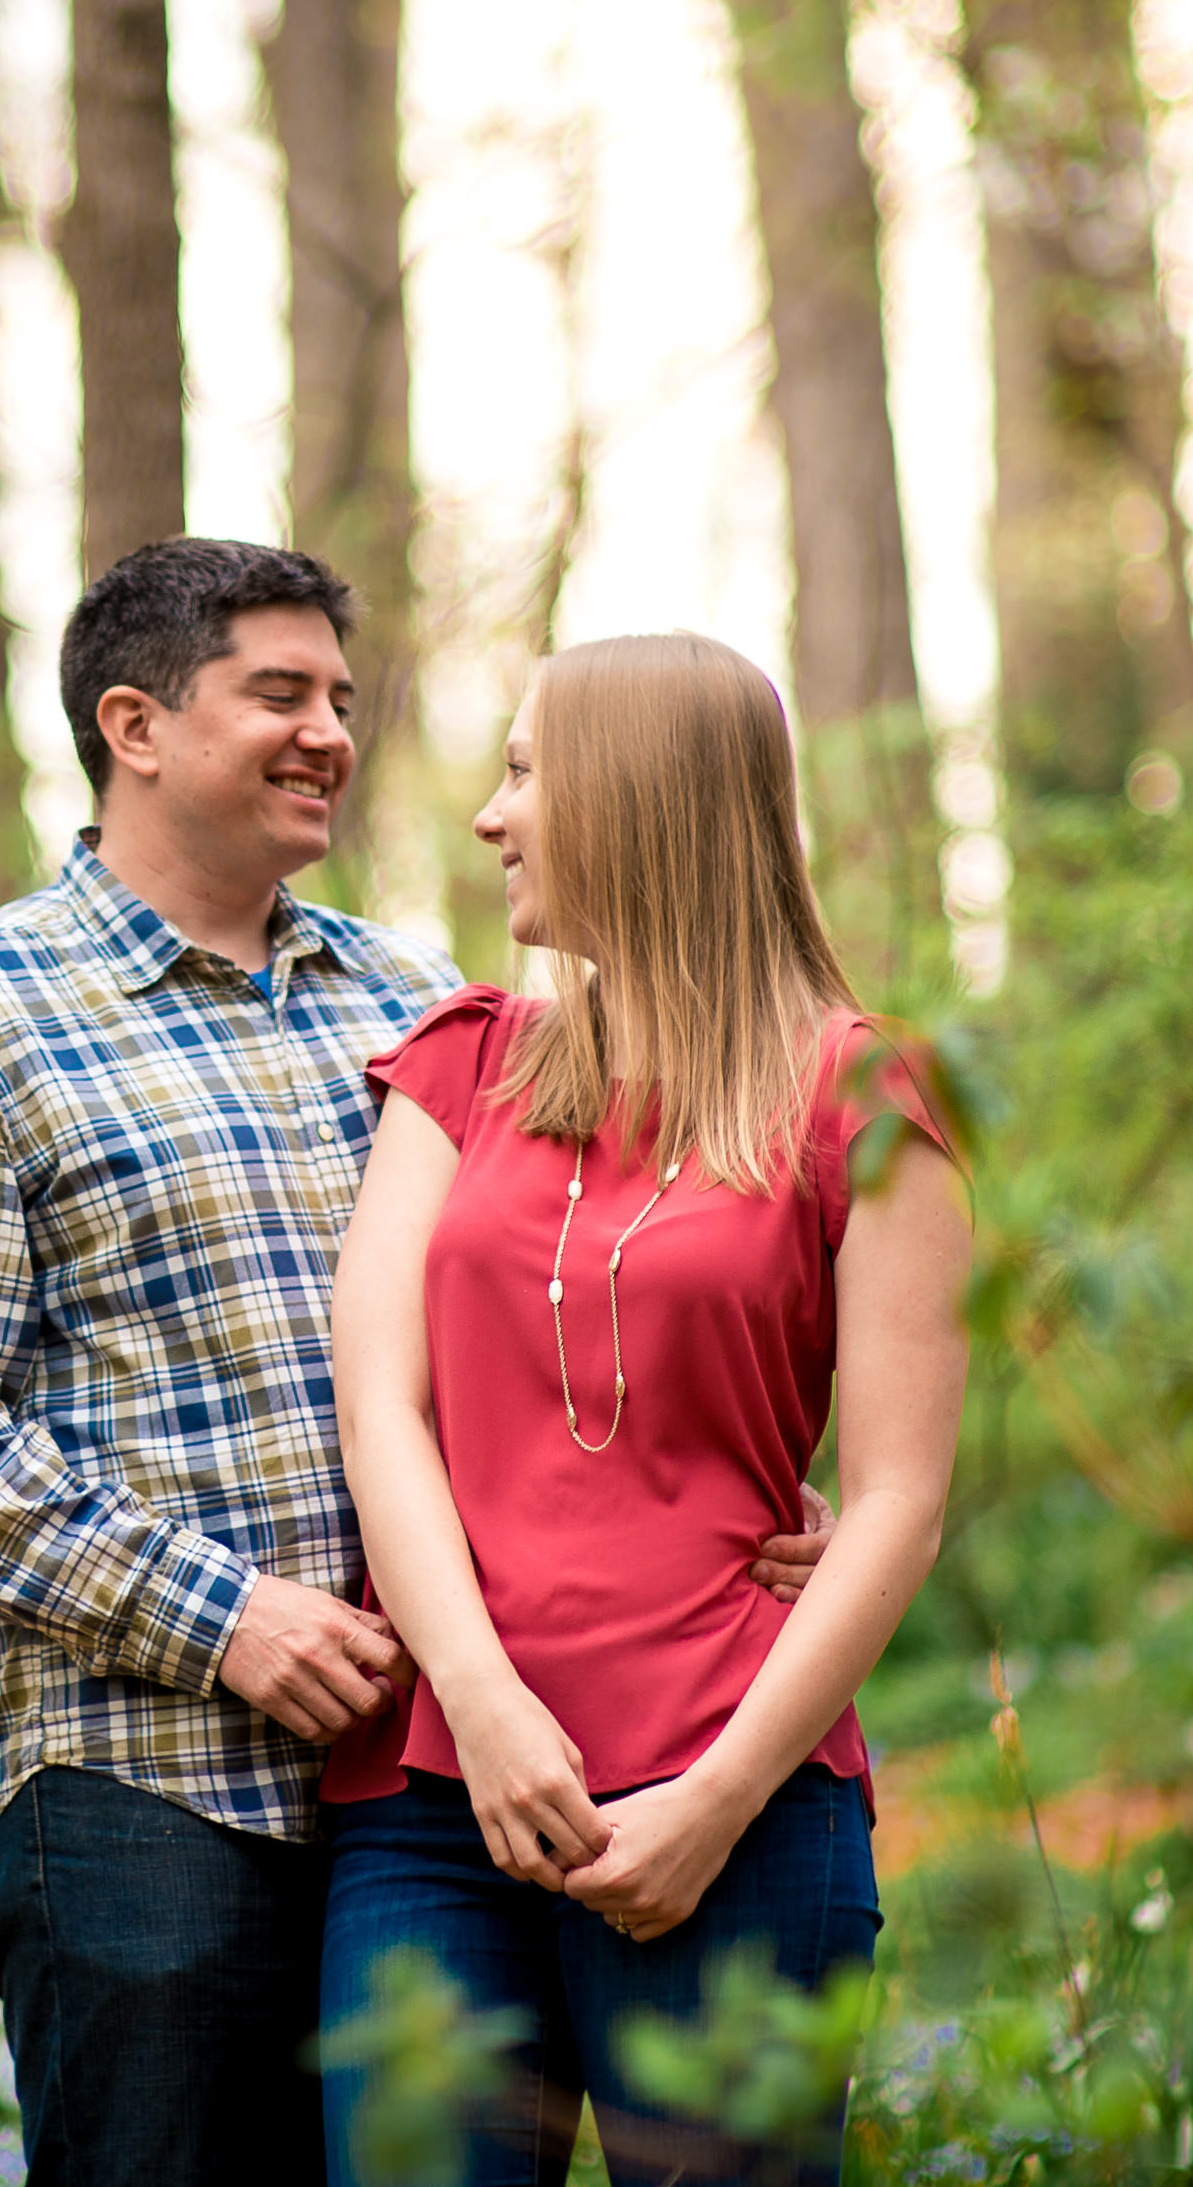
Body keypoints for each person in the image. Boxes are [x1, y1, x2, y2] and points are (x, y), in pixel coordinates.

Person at [0, 547, 842, 2186]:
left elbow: (594, 1296)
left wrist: (740, 1494)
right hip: (146, 1786)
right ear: (134, 724)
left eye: (343, 701)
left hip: (437, 1790)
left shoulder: (424, 999)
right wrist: (222, 1618)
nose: (330, 735)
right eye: (279, 695)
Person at [313, 632, 970, 2187]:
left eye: (527, 770)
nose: (492, 813)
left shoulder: (866, 1097)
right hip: (433, 1800)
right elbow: (379, 1409)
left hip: (734, 1799)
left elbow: (895, 1495)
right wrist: (477, 1701)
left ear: (638, 797)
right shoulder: (461, 1063)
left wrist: (715, 1799)